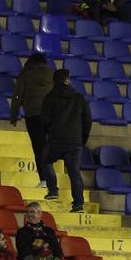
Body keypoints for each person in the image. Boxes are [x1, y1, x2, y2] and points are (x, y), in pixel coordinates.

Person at [42, 69, 90, 213]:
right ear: (68, 80)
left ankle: (53, 190)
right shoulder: (79, 98)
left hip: (56, 139)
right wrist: (82, 139)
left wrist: (49, 131)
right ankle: (78, 205)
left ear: (54, 81)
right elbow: (88, 120)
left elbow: (44, 119)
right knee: (74, 172)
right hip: (74, 141)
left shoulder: (50, 97)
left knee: (45, 161)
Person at [9, 56, 54, 190]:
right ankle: (51, 179)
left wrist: (14, 115)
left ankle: (44, 179)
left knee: (38, 147)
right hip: (51, 115)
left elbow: (17, 96)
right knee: (47, 147)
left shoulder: (26, 74)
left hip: (34, 115)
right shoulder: (52, 75)